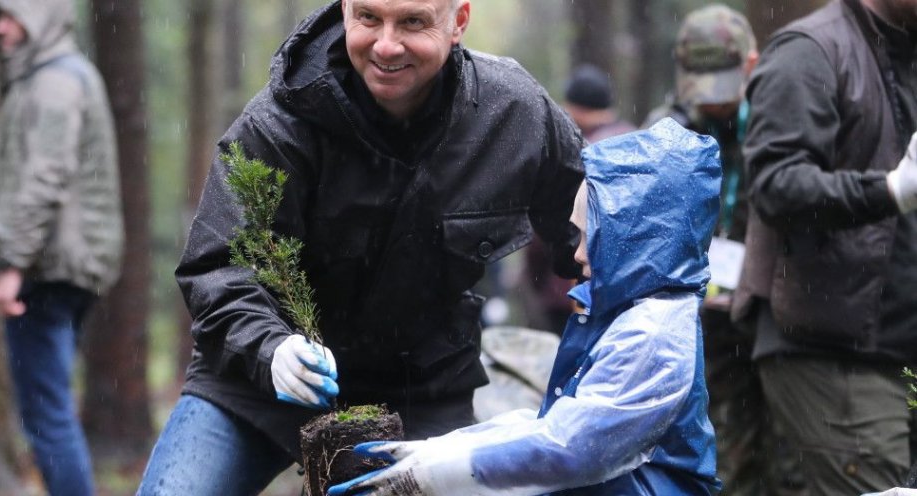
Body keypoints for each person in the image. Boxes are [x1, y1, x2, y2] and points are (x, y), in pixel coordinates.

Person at [137, 0, 585, 493]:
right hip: (259, 382)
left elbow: (598, 232)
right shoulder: (281, 119)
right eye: (368, 17)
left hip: (425, 388)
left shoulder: (515, 114)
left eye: (413, 22)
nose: (386, 45)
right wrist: (271, 347)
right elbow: (217, 263)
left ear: (458, 22)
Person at [327, 118, 722, 496]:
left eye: (592, 238)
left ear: (638, 241)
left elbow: (572, 449)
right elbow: (558, 422)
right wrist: (440, 450)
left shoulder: (654, 335)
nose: (579, 255)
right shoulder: (632, 311)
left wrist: (438, 476)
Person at [731, 0, 917, 493]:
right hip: (833, 352)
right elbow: (776, 186)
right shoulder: (810, 51)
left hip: (899, 352)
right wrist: (890, 190)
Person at [645, 6, 805, 495]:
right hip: (701, 328)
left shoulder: (782, 125)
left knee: (790, 456)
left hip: (781, 319)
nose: (713, 102)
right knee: (722, 453)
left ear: (752, 65)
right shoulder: (668, 131)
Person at [0, 1, 123, 495]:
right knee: (51, 410)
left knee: (46, 417)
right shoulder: (64, 75)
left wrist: (12, 266)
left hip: (47, 272)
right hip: (66, 268)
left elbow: (45, 178)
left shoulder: (52, 84)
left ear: (37, 17)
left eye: (9, 15)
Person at [521, 64, 636, 336]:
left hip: (570, 294)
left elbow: (542, 228)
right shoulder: (637, 145)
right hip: (627, 292)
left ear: (572, 107)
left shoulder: (569, 152)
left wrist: (539, 280)